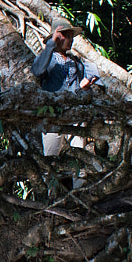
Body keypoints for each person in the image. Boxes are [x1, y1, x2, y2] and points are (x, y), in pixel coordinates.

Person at [32, 15, 99, 157]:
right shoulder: (46, 58)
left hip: (75, 116)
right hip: (53, 115)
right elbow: (37, 71)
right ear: (58, 38)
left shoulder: (76, 62)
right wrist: (51, 44)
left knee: (79, 158)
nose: (71, 40)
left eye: (71, 36)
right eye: (67, 36)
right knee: (51, 156)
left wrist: (85, 88)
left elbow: (83, 92)